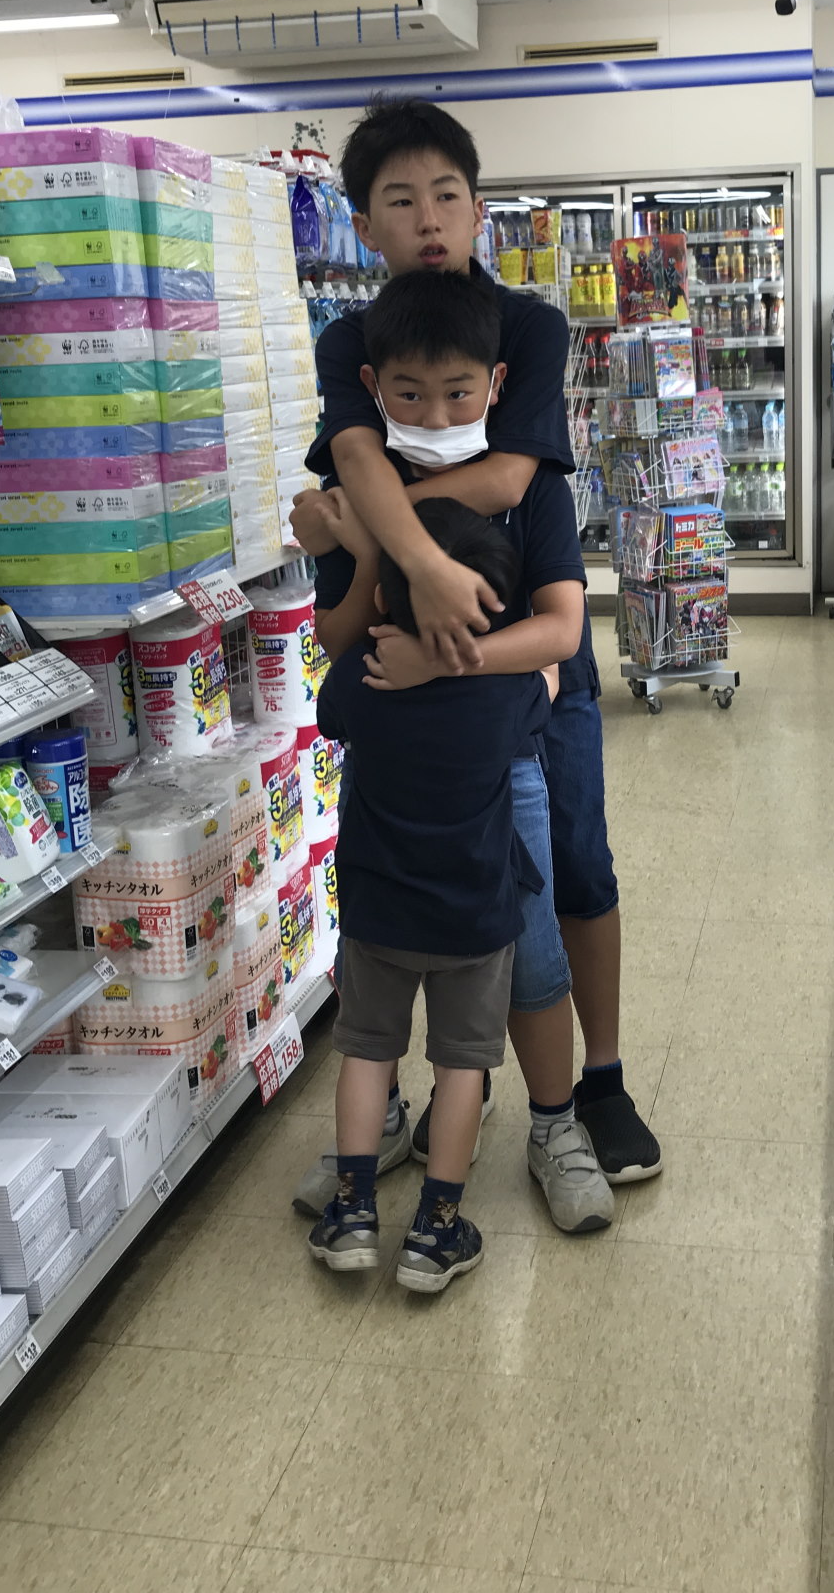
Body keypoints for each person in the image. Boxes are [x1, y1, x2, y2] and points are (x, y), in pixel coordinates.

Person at [292, 97, 660, 1183]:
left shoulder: (526, 327)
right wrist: (382, 543)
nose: (428, 219)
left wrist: (374, 532)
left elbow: (504, 477)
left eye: (446, 195)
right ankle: (445, 1093)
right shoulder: (352, 341)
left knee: (570, 866)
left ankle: (597, 1082)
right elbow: (353, 458)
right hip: (405, 679)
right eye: (399, 200)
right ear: (364, 224)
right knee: (423, 883)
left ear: (478, 208)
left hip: (534, 661)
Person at [299, 270, 616, 1233]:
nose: (435, 416)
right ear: (372, 387)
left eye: (458, 393)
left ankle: (555, 1125)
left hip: (503, 766)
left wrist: (443, 660)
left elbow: (561, 633)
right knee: (378, 955)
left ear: (497, 384)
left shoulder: (534, 491)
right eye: (409, 394)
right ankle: (386, 1125)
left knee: (530, 952)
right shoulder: (362, 495)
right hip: (391, 777)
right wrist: (365, 551)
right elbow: (336, 637)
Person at [310, 495, 548, 1292]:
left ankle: (352, 1213)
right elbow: (549, 677)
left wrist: (365, 568)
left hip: (377, 908)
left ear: (385, 596)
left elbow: (331, 715)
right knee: (462, 1067)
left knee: (366, 1052)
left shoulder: (361, 674)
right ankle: (435, 1230)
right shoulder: (501, 690)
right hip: (475, 916)